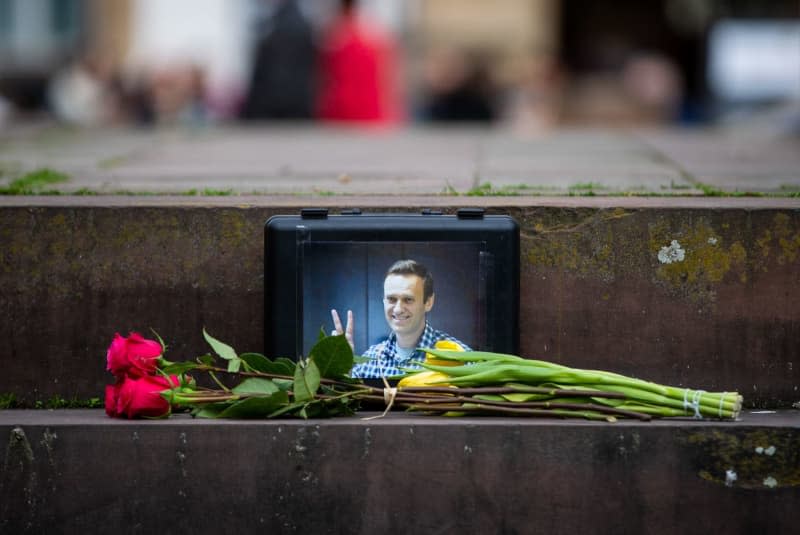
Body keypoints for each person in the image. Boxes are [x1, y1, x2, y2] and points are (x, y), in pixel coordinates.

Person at [331, 259, 470, 379]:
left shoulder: (460, 358)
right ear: (383, 301)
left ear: (428, 302)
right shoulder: (369, 360)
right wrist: (343, 368)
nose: (398, 309)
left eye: (408, 299)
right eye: (391, 299)